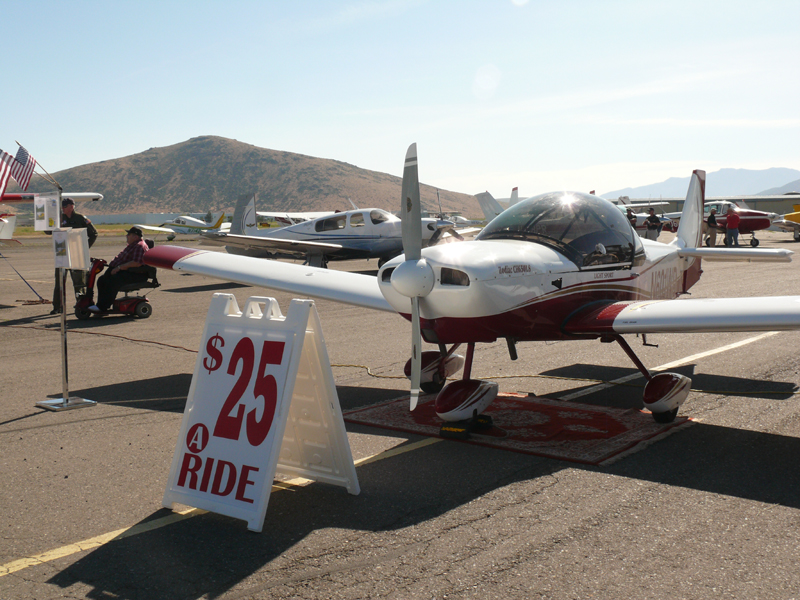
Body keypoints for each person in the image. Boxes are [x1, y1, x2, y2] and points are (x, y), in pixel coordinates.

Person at [50, 198, 98, 315]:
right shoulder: (60, 218)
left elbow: (94, 234)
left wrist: (84, 249)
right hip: (63, 253)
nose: (63, 209)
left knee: (79, 283)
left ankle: (81, 305)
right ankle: (58, 307)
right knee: (59, 282)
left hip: (77, 254)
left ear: (71, 206)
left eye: (65, 206)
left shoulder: (81, 218)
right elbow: (48, 232)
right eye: (62, 207)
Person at [88, 227, 150, 312]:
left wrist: (119, 268)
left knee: (113, 281)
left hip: (135, 274)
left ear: (135, 237)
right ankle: (100, 305)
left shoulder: (140, 246)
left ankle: (103, 307)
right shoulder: (132, 245)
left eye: (129, 234)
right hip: (125, 271)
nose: (126, 236)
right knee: (102, 280)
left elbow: (137, 263)